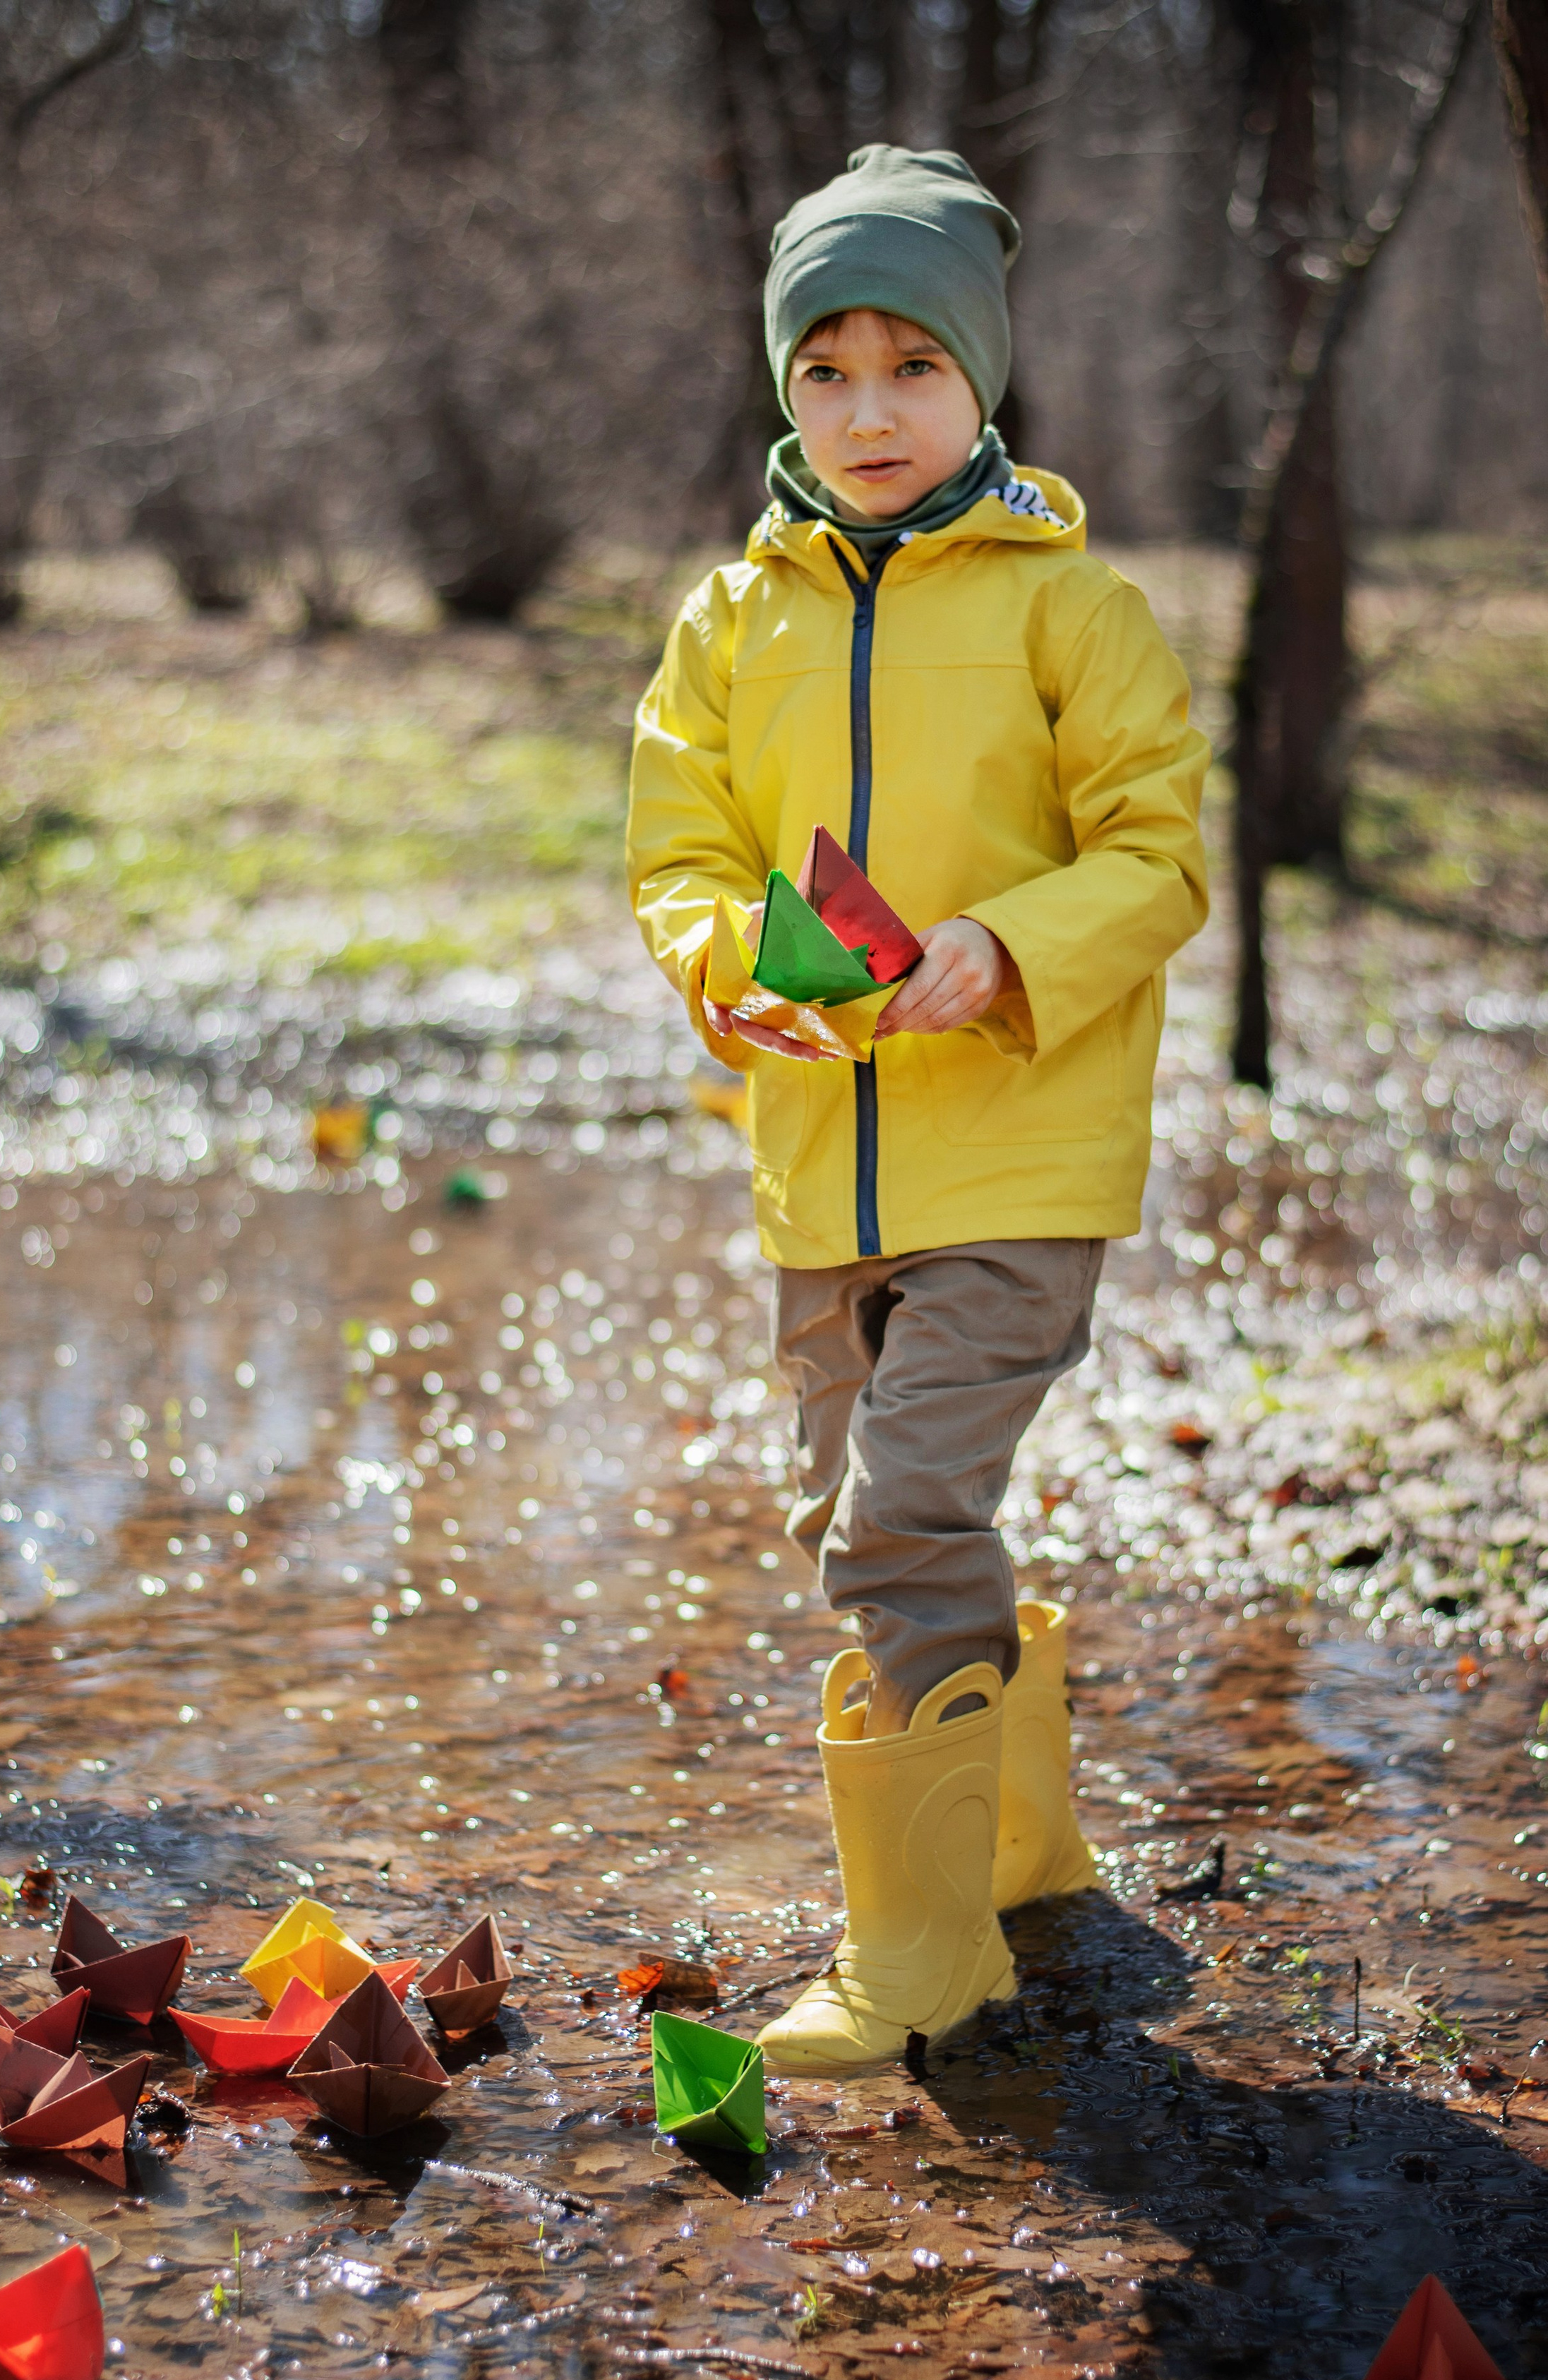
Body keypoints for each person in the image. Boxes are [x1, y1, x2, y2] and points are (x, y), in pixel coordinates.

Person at [626, 145, 1210, 2072]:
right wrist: (725, 963)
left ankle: (927, 1954)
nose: (867, 413)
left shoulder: (1071, 602)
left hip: (1020, 1145)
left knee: (894, 1528)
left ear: (984, 383)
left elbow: (1159, 854)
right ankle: (1026, 1846)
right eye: (825, 372)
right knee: (847, 1514)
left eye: (911, 369)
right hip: (816, 1163)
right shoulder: (731, 620)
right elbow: (681, 853)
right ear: (782, 386)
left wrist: (1006, 946)